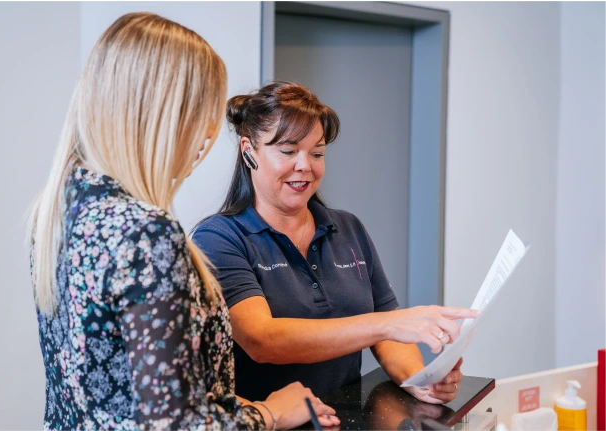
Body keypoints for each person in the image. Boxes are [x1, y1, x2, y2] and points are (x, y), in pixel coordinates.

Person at [27, 14, 339, 430]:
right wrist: (269, 412)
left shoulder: (59, 210)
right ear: (161, 116)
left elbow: (122, 392)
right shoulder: (146, 234)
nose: (208, 137)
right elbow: (178, 425)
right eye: (200, 116)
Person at [193, 81, 478, 404]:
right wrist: (386, 324)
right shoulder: (219, 238)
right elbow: (263, 340)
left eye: (317, 153)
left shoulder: (347, 228)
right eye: (288, 151)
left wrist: (419, 380)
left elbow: (389, 335)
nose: (305, 166)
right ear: (249, 152)